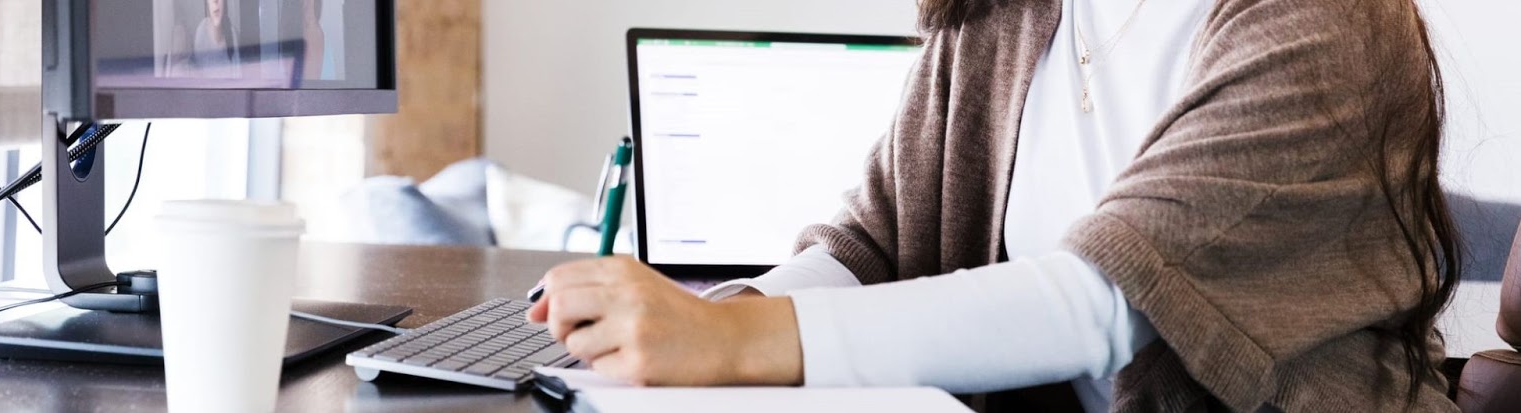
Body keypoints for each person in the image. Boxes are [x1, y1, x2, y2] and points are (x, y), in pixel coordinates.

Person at [528, 0, 1461, 411]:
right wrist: (718, 317)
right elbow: (872, 243)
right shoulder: (1006, 12)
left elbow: (1106, 303)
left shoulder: (1332, 22)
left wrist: (731, 344)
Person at [193, 0, 239, 78]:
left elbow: (237, 74)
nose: (215, 1)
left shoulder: (232, 33)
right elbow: (198, 75)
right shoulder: (201, 31)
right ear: (207, 3)